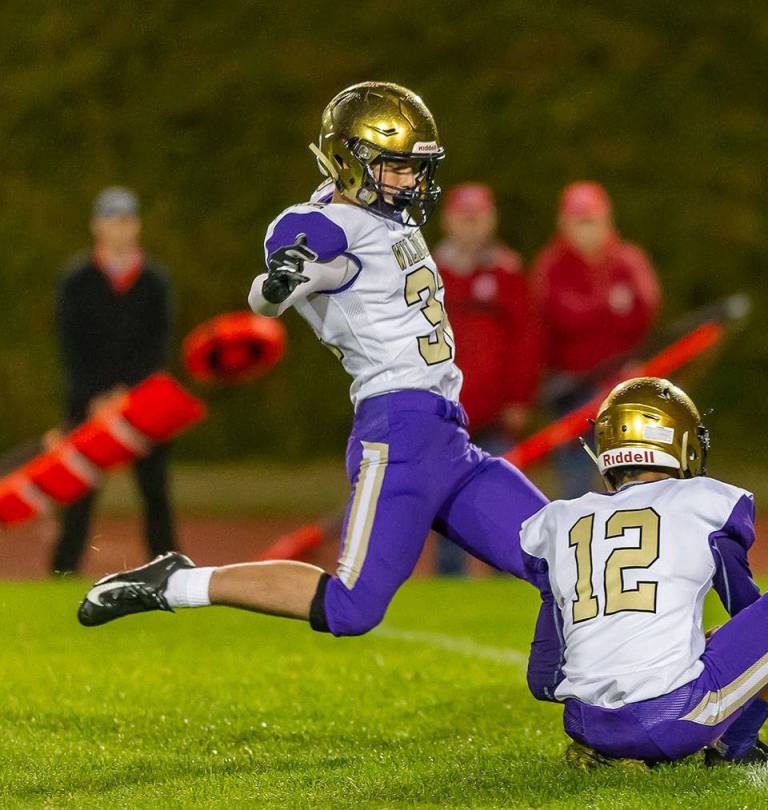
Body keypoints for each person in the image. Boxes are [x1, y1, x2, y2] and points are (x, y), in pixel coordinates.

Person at [76, 82, 549, 635]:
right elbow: (295, 261)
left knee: (558, 557)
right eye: (394, 166)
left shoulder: (388, 219)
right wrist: (282, 281)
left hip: (448, 436)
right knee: (352, 607)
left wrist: (286, 285)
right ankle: (175, 584)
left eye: (415, 166)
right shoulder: (329, 222)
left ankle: (566, 684)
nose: (410, 179)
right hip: (398, 432)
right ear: (351, 161)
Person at [519, 377, 768, 767]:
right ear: (680, 442)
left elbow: (544, 679)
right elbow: (748, 612)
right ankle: (734, 747)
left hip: (585, 722)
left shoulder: (558, 519)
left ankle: (612, 749)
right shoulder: (705, 502)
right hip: (672, 720)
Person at [53, 187, 176, 574]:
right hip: (89, 403)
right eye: (111, 220)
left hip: (142, 403)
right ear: (96, 226)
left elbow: (158, 341)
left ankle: (169, 568)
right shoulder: (77, 280)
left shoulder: (154, 281)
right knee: (78, 490)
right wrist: (96, 394)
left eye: (125, 220)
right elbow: (71, 342)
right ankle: (62, 571)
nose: (119, 229)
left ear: (135, 226)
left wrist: (130, 391)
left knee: (155, 490)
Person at [433, 182, 540, 574]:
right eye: (464, 218)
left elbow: (526, 341)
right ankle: (449, 578)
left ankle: (507, 571)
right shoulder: (428, 271)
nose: (470, 226)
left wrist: (519, 398)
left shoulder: (507, 273)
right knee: (444, 498)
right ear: (448, 220)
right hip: (445, 410)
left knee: (501, 499)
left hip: (495, 412)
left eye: (477, 218)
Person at [532, 182, 661, 498]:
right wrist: (608, 309)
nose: (585, 230)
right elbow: (552, 320)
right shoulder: (551, 266)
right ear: (564, 224)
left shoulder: (628, 260)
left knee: (632, 477)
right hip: (571, 390)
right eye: (579, 221)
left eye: (591, 220)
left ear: (607, 221)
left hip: (622, 386)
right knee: (576, 483)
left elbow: (645, 312)